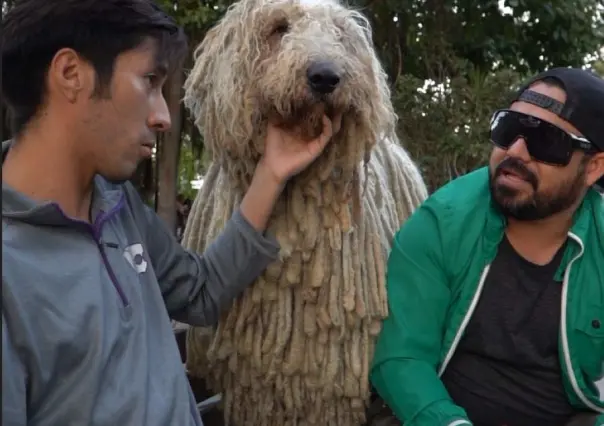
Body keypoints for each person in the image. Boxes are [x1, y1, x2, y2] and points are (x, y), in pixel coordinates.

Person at [1, 1, 340, 425]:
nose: (163, 116)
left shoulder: (119, 205)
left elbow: (199, 294)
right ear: (71, 74)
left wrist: (271, 173)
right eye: (150, 81)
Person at [370, 67, 604, 426]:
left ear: (593, 168)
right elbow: (401, 358)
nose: (515, 151)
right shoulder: (441, 220)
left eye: (545, 141)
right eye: (509, 129)